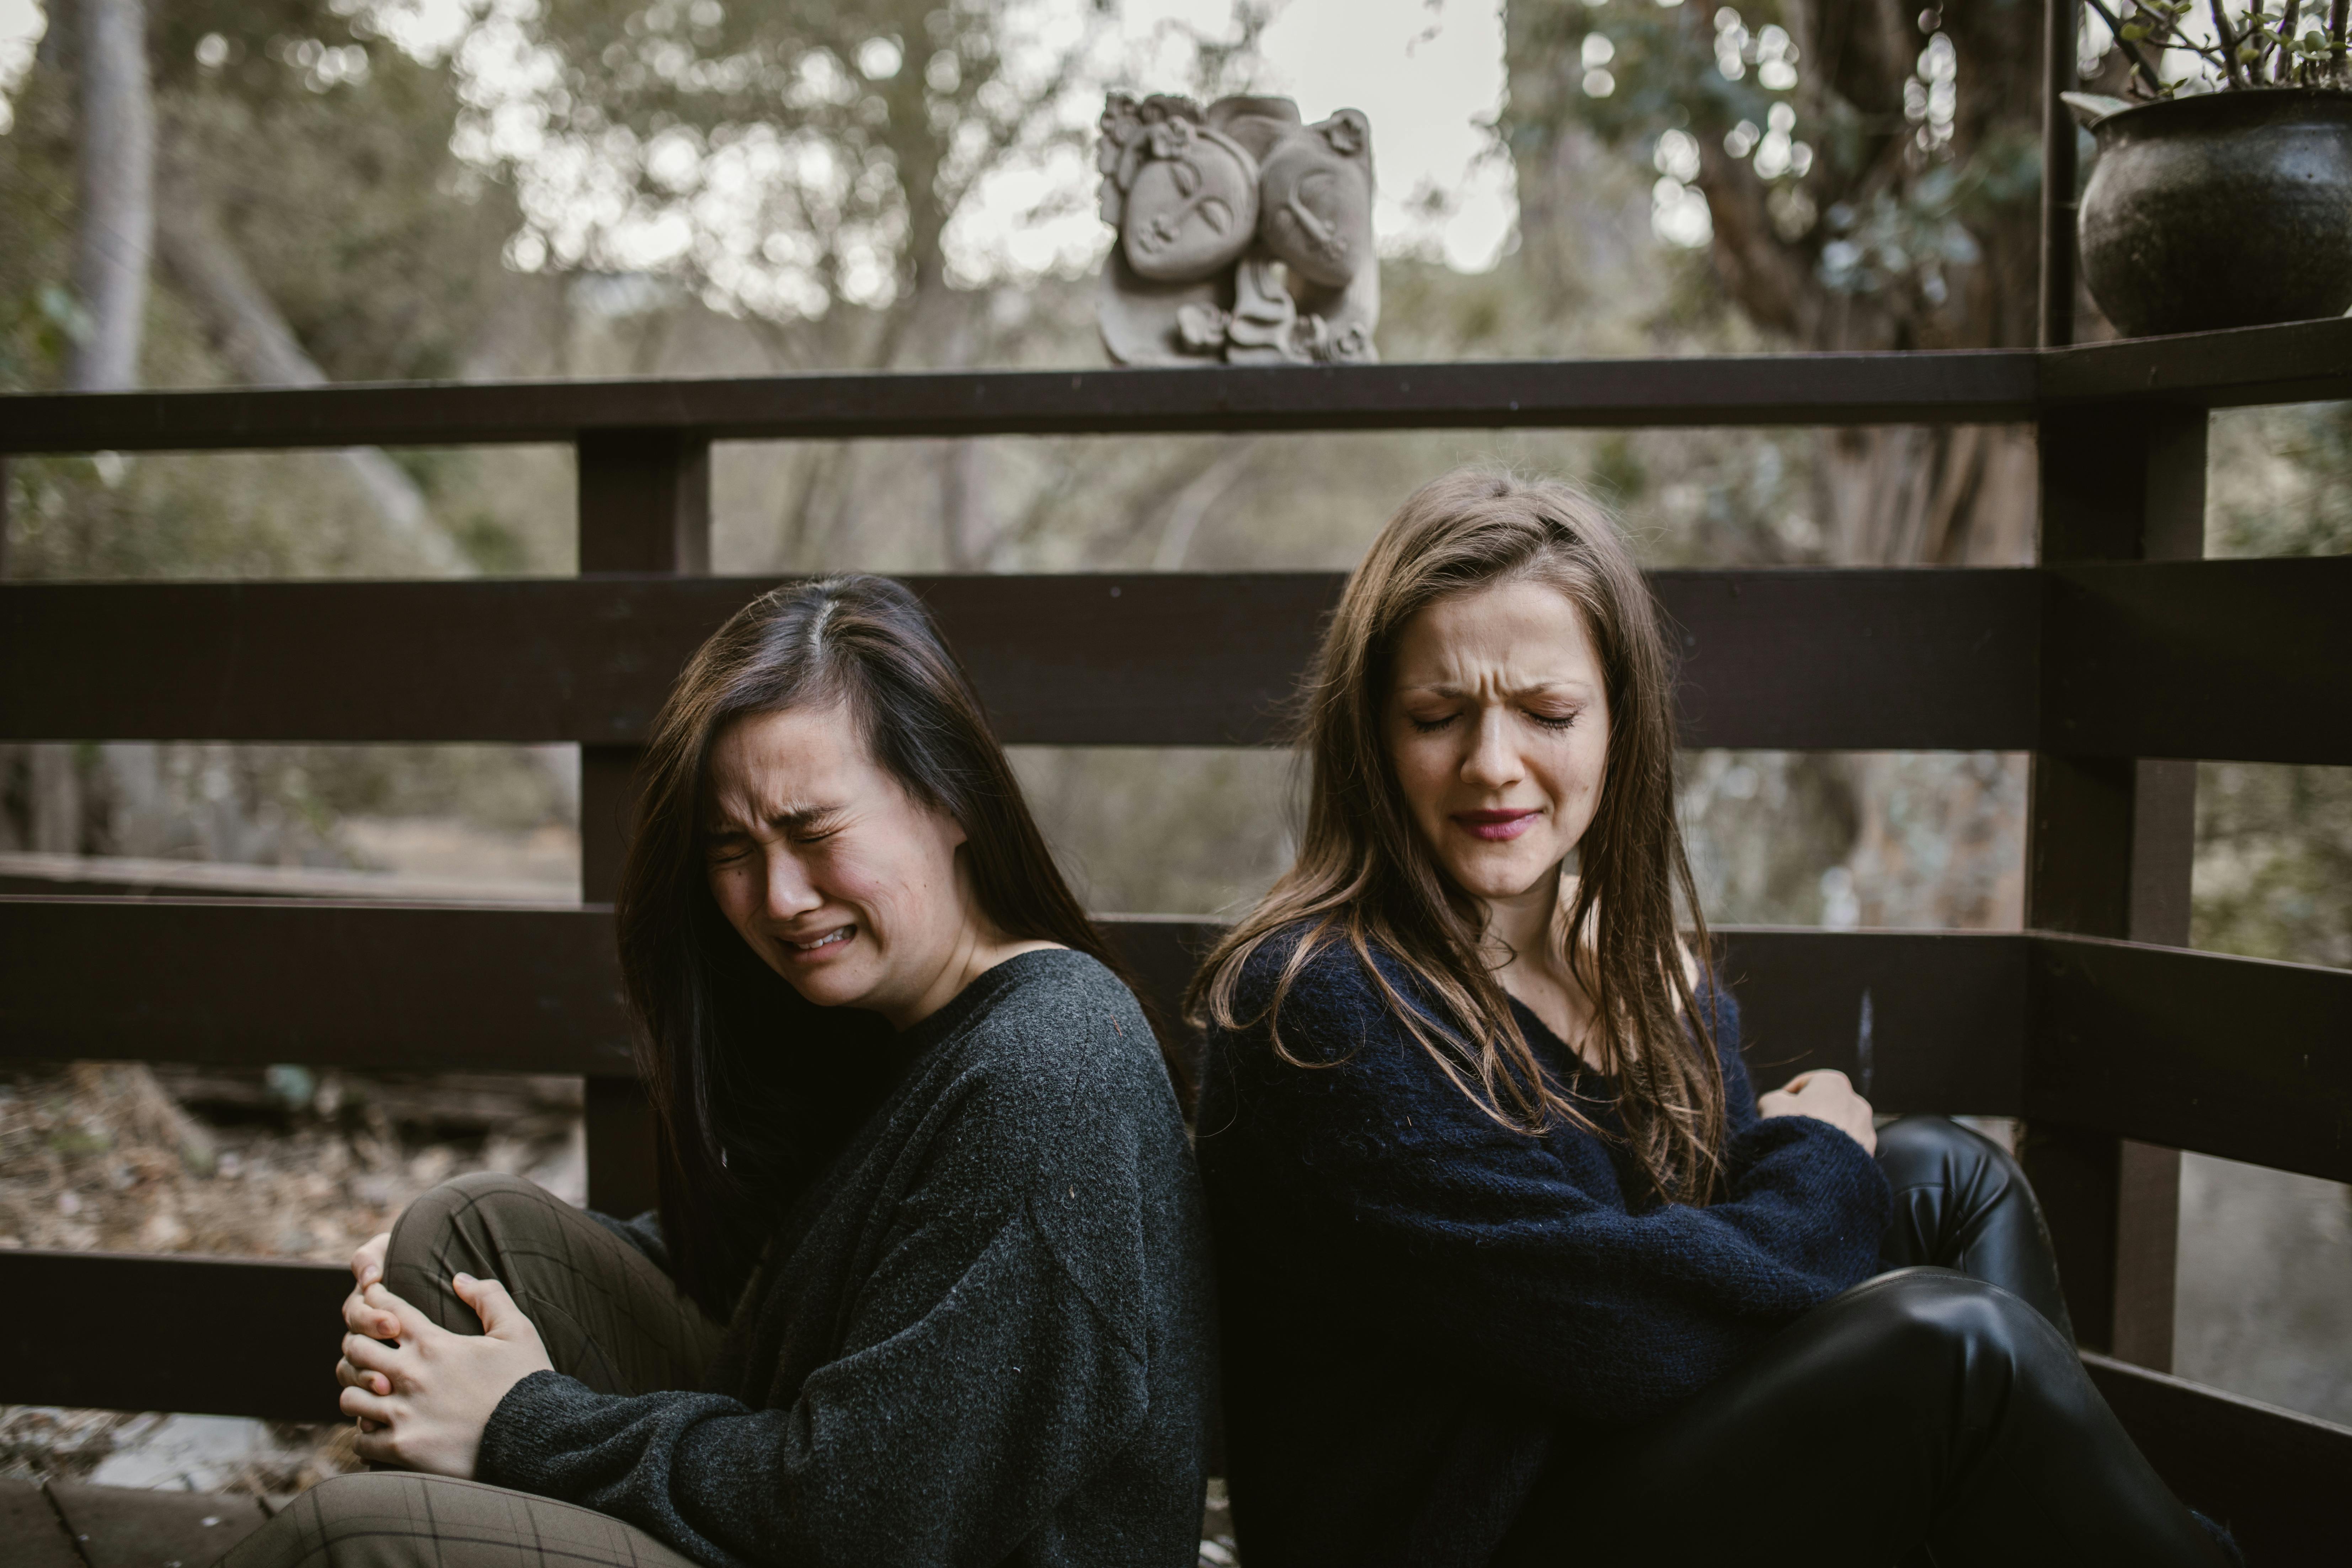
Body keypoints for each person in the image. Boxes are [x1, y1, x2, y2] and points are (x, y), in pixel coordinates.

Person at [1188, 469, 2236, 1568]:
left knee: (1947, 1177)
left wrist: (1666, 1014)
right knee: (1956, 1346)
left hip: (1611, 1464)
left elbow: (1727, 1243)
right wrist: (1821, 1153)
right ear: (1371, 736)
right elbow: (1630, 1329)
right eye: (1437, 717)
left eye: (1547, 713)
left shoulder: (1597, 946)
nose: (1493, 765)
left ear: (1620, 725)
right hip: (1478, 1535)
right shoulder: (1320, 1003)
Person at [225, 575, 1216, 1568]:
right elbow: (778, 1271)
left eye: (813, 830)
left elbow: (866, 1516)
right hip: (817, 1493)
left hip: (859, 1538)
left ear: (951, 793)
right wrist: (436, 1299)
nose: (780, 896)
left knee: (345, 1544)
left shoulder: (1047, 1071)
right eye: (733, 848)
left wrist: (520, 1422)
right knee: (466, 1236)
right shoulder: (884, 1018)